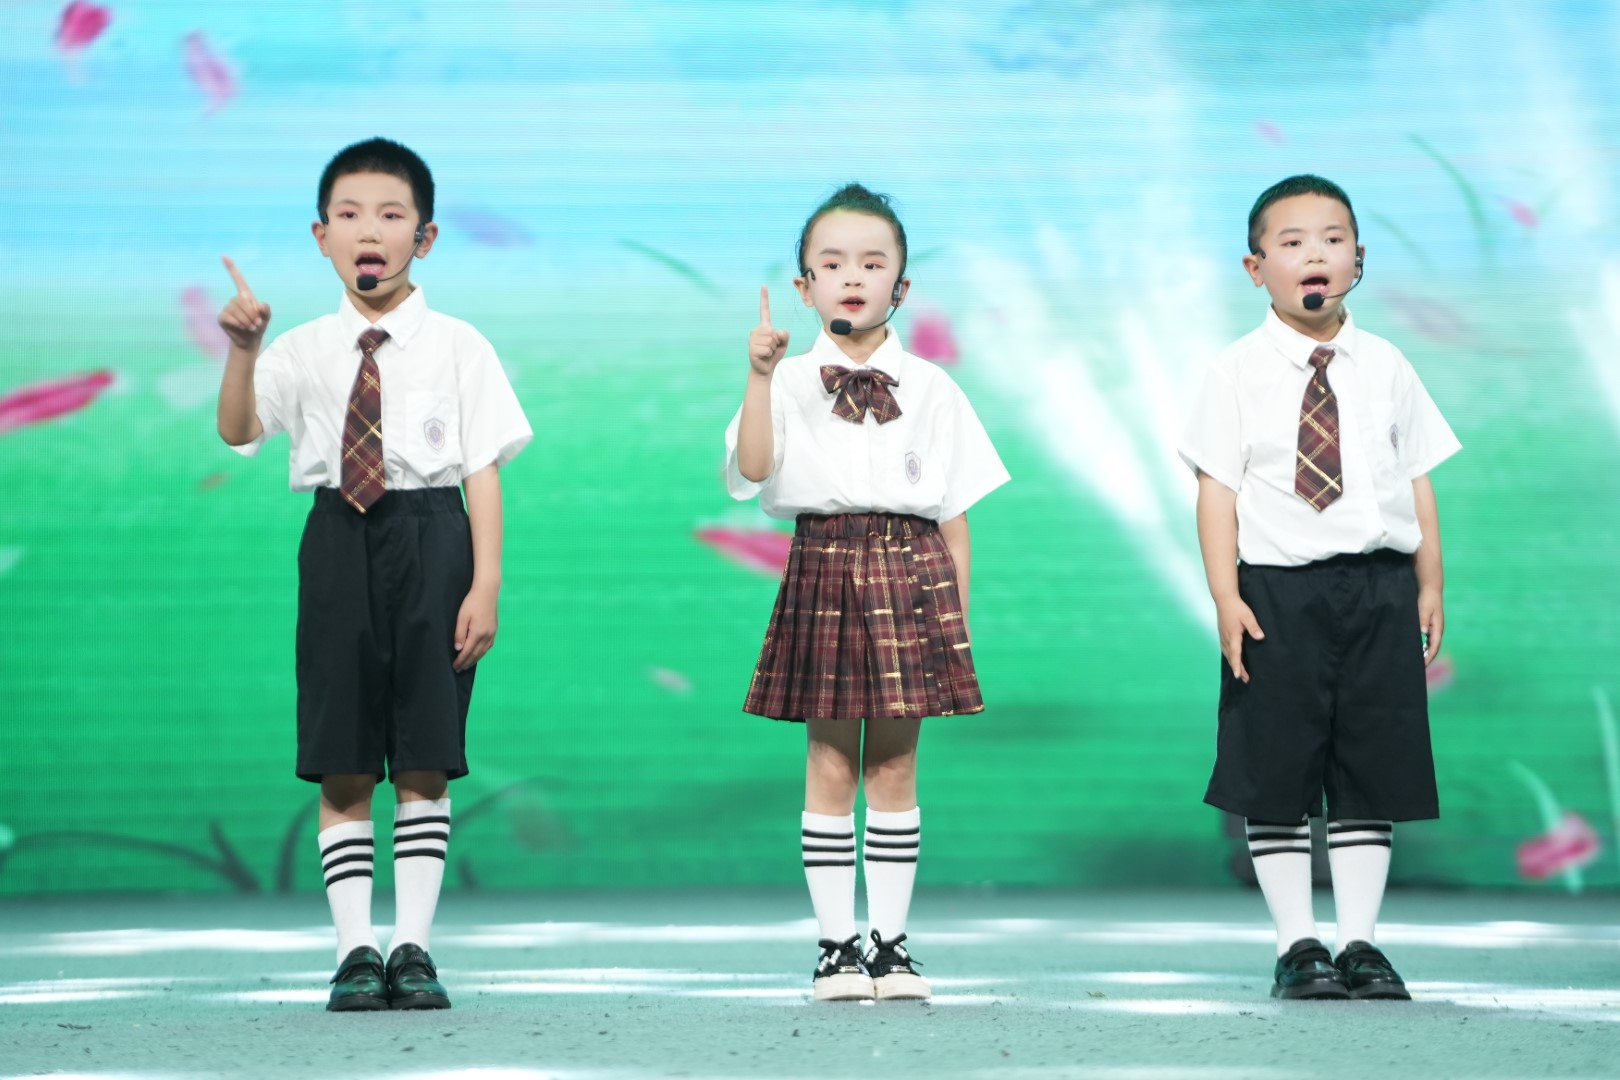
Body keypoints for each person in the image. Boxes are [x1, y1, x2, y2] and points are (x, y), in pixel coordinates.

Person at [215, 137, 531, 1011]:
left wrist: (486, 583)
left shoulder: (459, 345)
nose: (370, 231)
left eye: (392, 215)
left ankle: (413, 948)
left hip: (435, 540)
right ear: (322, 236)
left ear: (424, 238)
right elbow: (238, 431)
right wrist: (243, 350)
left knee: (425, 754)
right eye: (349, 214)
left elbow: (482, 468)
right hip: (336, 541)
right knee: (343, 755)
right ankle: (355, 950)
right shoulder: (300, 349)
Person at [725, 183, 1009, 1001]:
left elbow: (954, 519)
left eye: (873, 262)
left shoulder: (933, 388)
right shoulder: (785, 379)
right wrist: (757, 376)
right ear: (805, 285)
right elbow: (752, 470)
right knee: (827, 758)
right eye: (833, 263)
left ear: (902, 286)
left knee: (894, 762)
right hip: (823, 562)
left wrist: (955, 620)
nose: (853, 276)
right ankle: (834, 948)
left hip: (912, 571)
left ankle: (891, 945)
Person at [1179, 174, 1460, 1000]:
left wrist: (1430, 581)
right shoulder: (1235, 372)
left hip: (1378, 586)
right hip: (1276, 591)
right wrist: (1226, 596)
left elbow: (1416, 477)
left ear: (1358, 261)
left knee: (1370, 765)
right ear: (1255, 267)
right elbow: (1216, 490)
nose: (1315, 254)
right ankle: (1296, 943)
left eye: (1333, 240)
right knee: (1276, 767)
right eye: (1293, 241)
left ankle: (1361, 943)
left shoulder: (1388, 364)